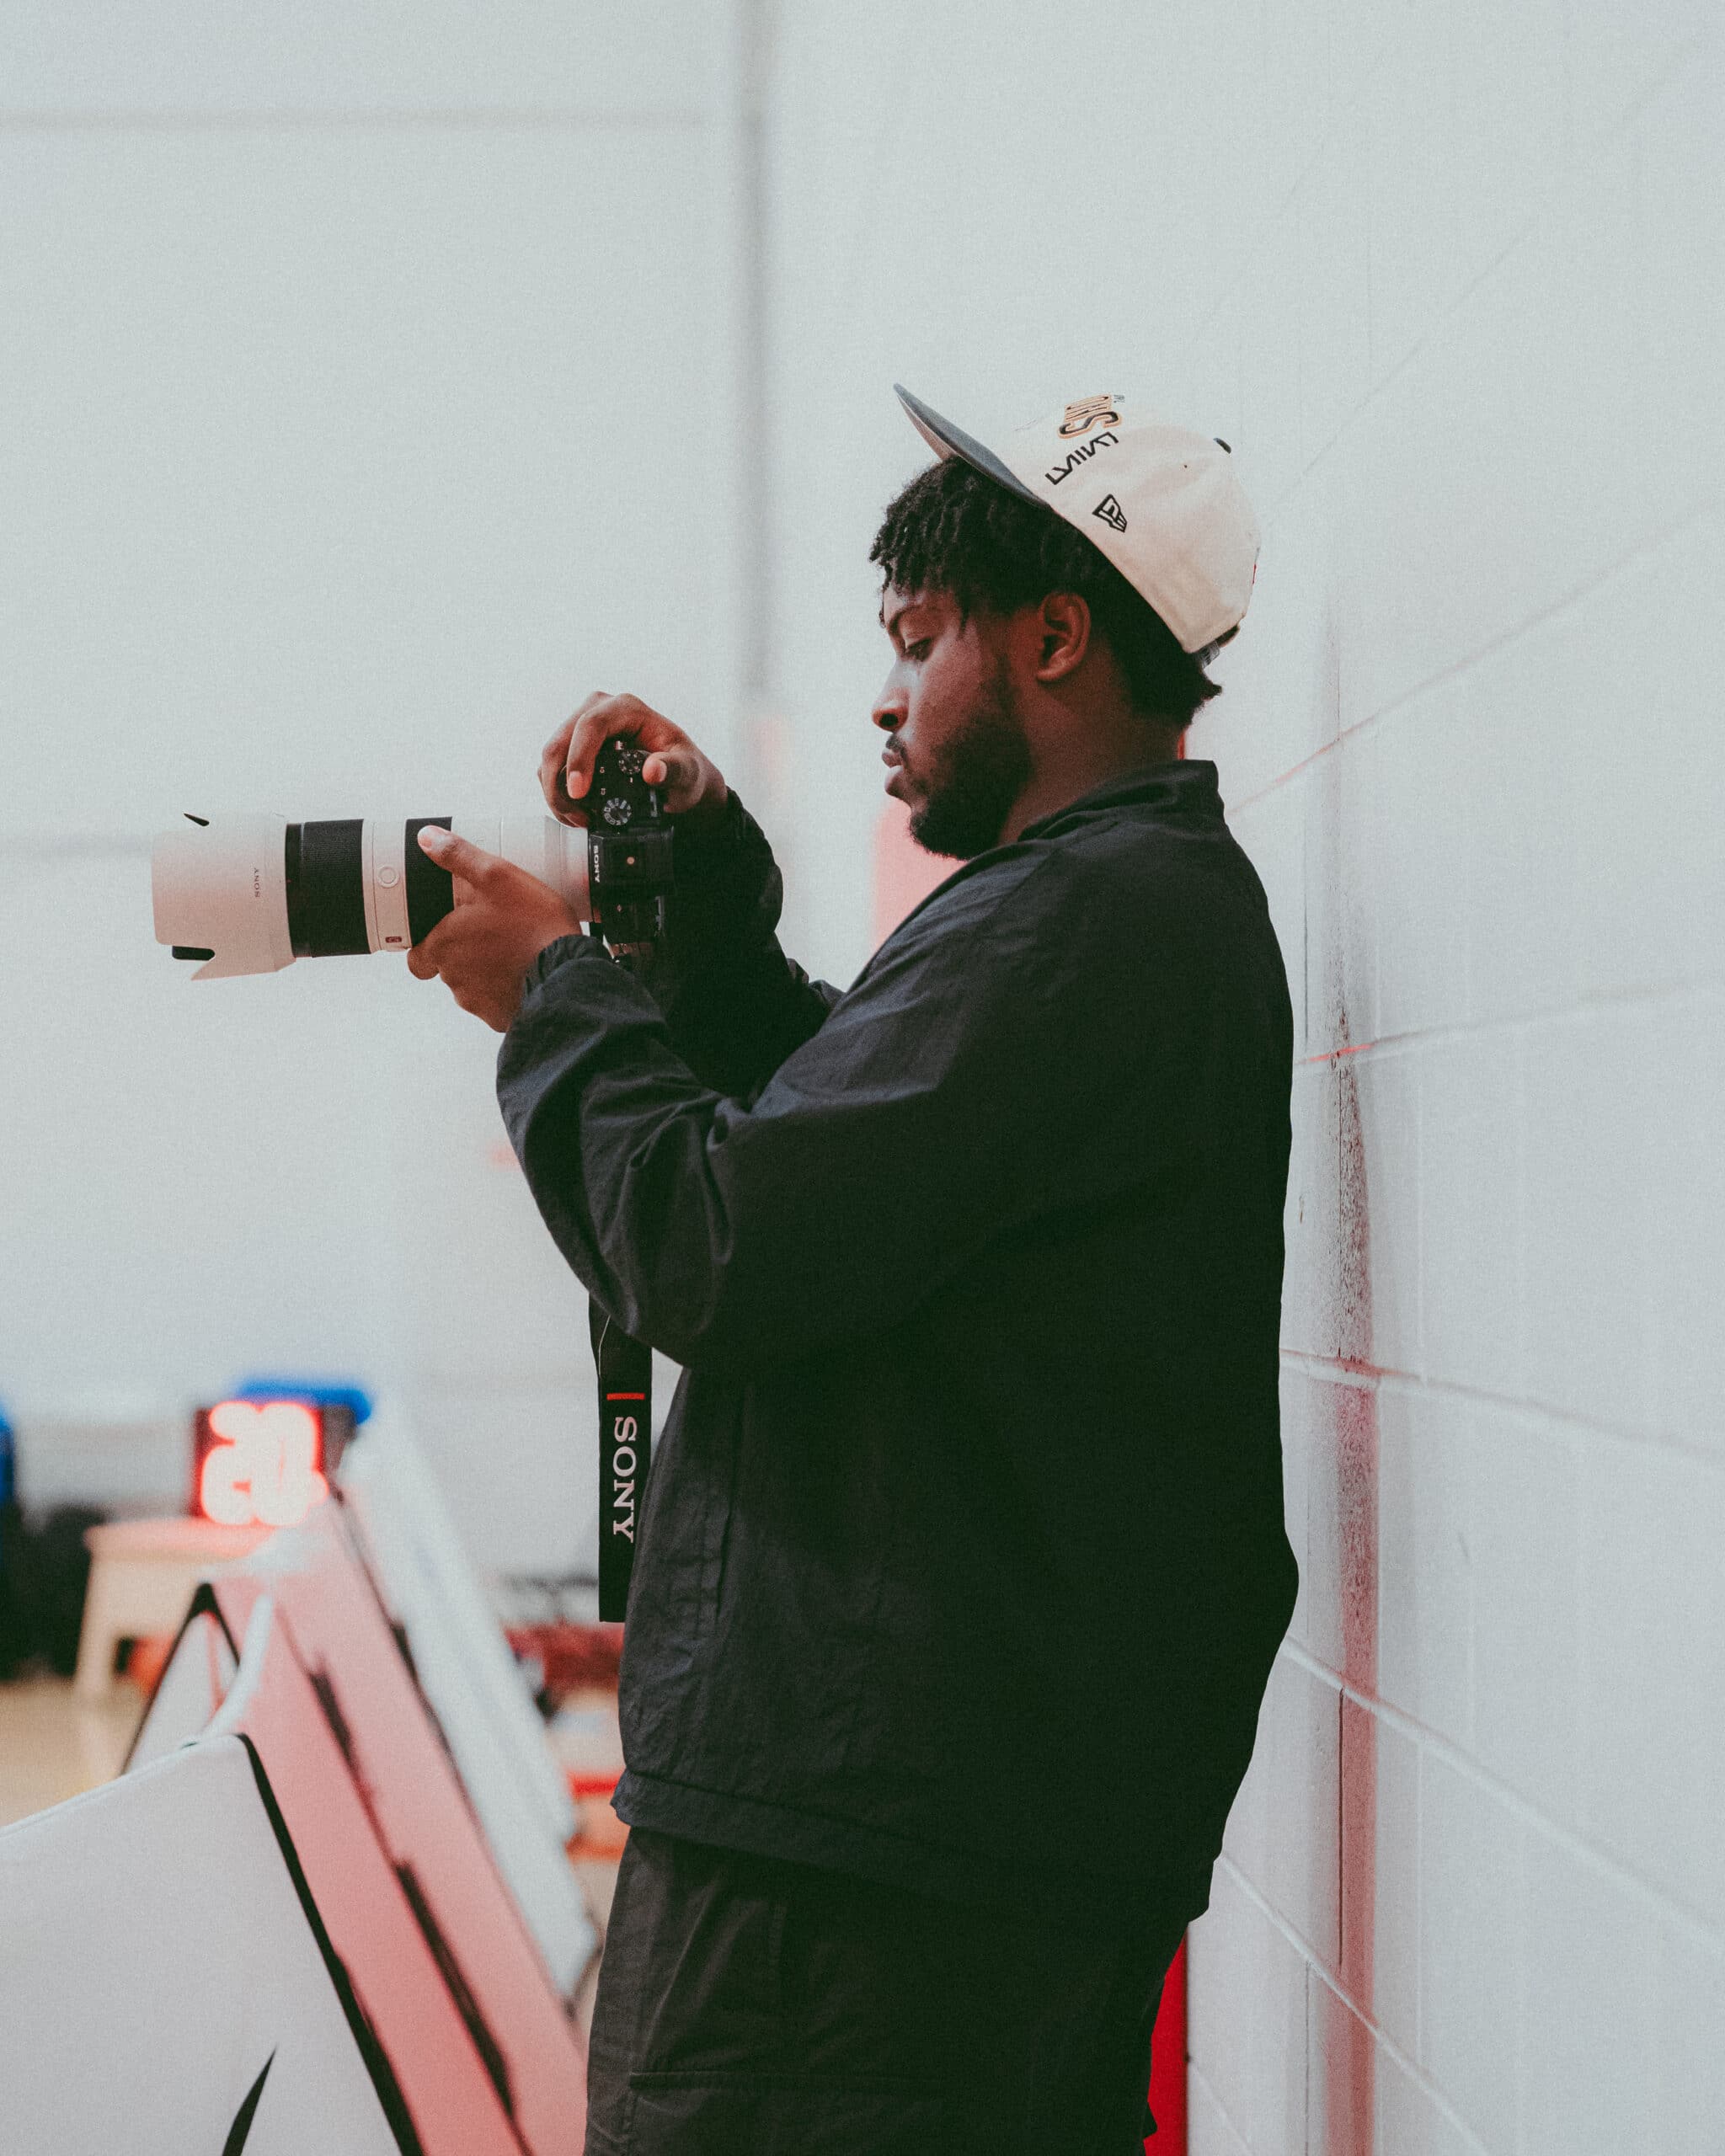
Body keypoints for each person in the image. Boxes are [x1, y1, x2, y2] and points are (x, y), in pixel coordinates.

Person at [409, 385, 1299, 2155]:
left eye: (915, 644)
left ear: (1051, 637)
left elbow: (724, 1242)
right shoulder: (1102, 911)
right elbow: (860, 1164)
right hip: (921, 1836)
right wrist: (710, 896)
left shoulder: (1076, 925)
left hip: (870, 1876)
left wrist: (556, 988)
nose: (888, 697)